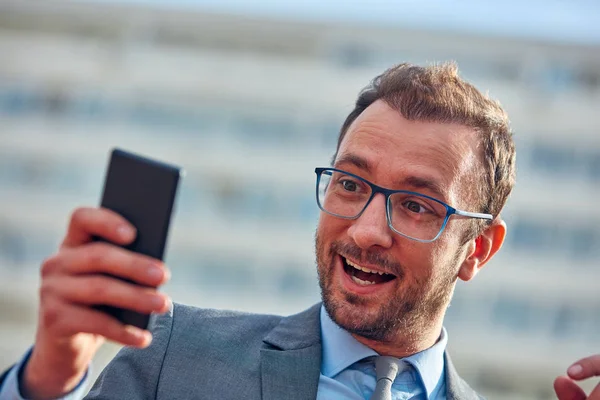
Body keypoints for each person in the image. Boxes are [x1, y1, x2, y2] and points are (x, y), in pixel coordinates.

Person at [0, 61, 529, 399]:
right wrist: (48, 381)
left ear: (477, 249)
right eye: (350, 184)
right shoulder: (175, 354)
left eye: (415, 205)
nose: (367, 230)